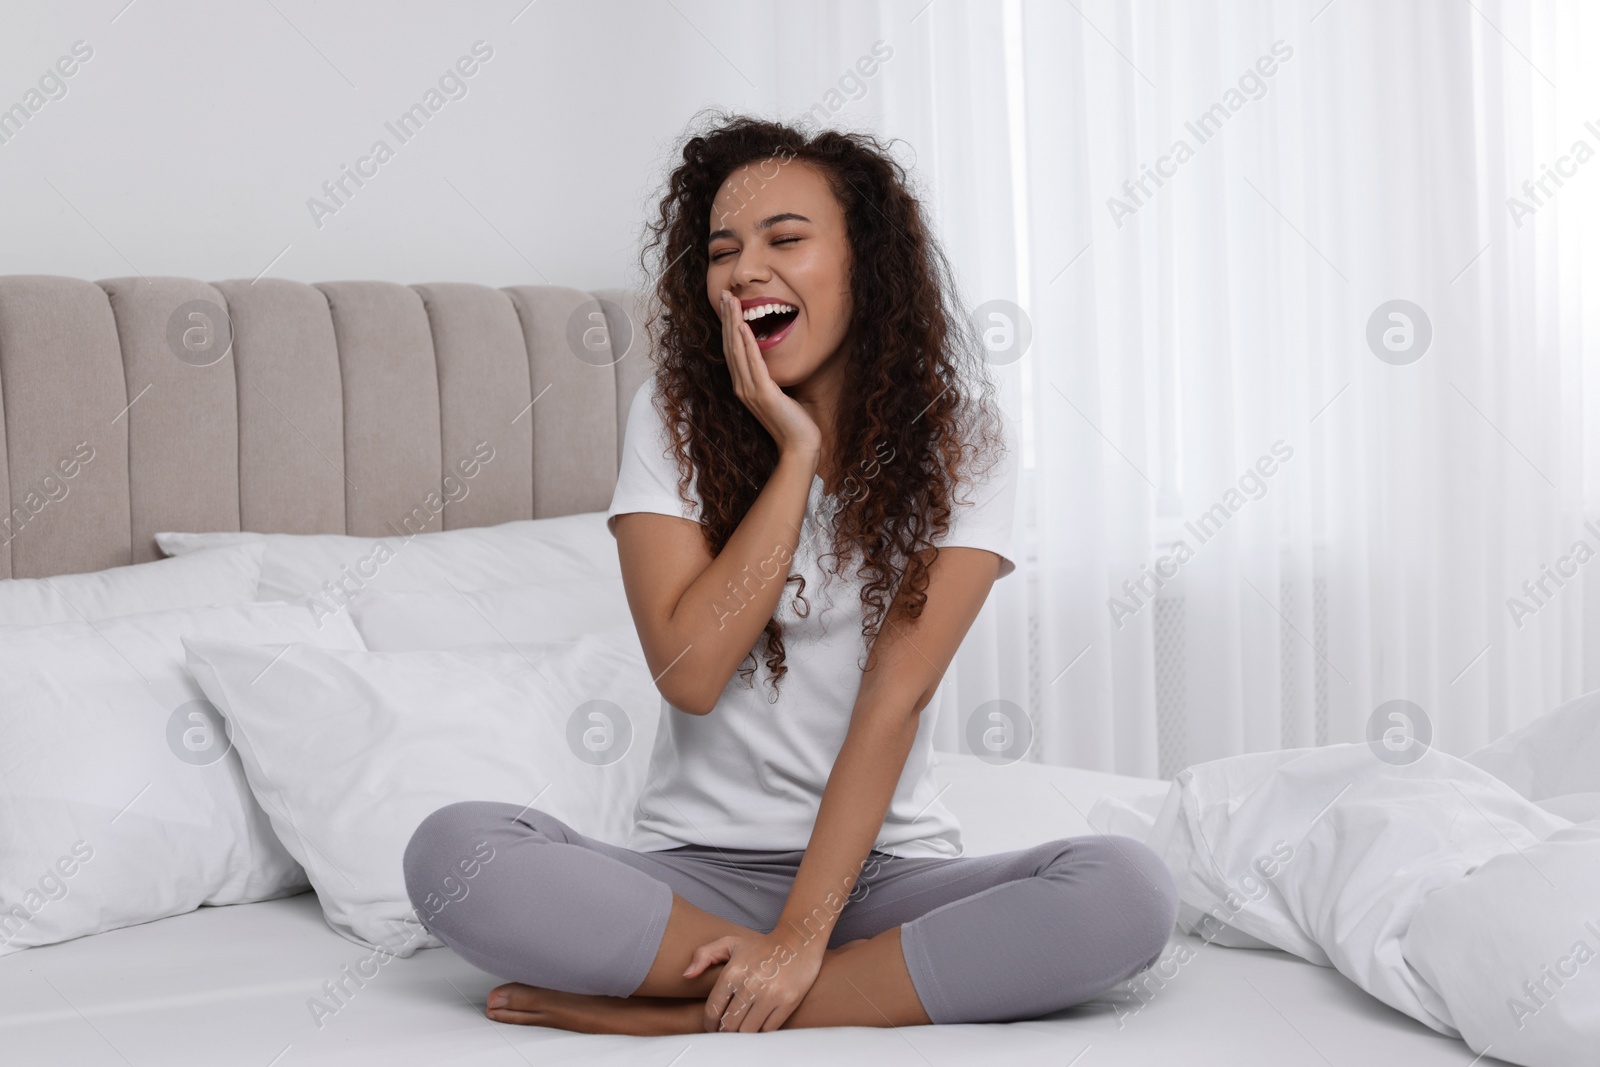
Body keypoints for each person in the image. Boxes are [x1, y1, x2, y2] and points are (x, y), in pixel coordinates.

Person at [403, 112, 1177, 1036]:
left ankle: (693, 1012)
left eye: (786, 239)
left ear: (866, 266)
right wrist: (795, 453)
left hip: (880, 874)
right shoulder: (674, 417)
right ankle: (814, 985)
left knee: (1124, 891)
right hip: (696, 875)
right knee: (453, 852)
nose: (744, 270)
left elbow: (893, 699)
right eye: (722, 249)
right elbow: (691, 672)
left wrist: (804, 936)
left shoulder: (961, 439)